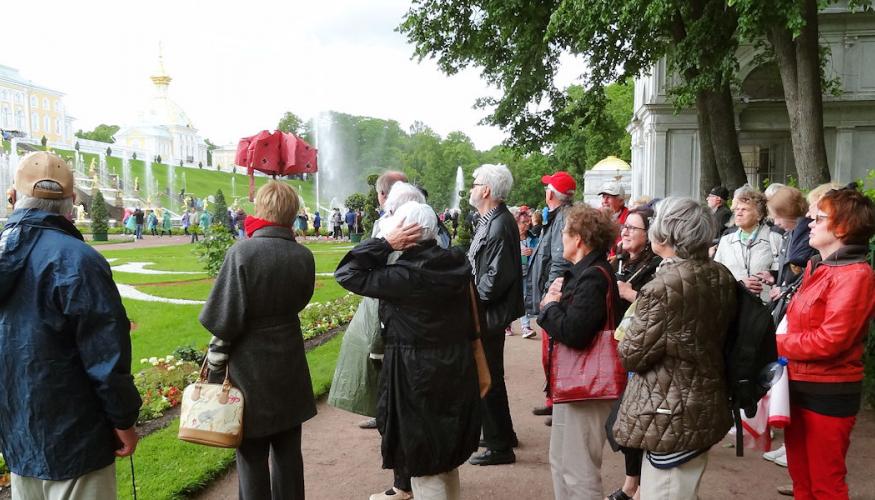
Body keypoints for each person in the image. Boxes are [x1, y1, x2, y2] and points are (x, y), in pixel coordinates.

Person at [0, 151, 141, 498]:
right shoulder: (78, 259)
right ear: (73, 201)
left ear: (13, 197)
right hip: (76, 437)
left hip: (18, 432)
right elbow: (106, 355)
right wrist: (123, 420)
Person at [335, 200, 481, 500]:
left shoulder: (406, 275)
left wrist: (383, 243)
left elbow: (347, 272)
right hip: (453, 363)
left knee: (425, 459)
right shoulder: (453, 262)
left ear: (407, 234)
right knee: (444, 458)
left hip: (416, 371)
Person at [613, 197, 738, 500]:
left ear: (666, 233)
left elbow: (631, 353)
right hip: (701, 400)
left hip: (671, 409)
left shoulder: (665, 287)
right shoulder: (717, 273)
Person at [200, 181, 317, 500]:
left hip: (250, 368)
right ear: (292, 213)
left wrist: (214, 364)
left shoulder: (243, 251)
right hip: (289, 362)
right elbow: (301, 300)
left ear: (262, 209)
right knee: (289, 454)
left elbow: (224, 319)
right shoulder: (303, 255)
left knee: (251, 457)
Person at [777, 187, 875, 500]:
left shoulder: (854, 274)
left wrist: (775, 345)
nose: (810, 223)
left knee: (826, 485)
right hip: (799, 384)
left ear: (842, 228)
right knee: (802, 481)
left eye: (819, 218)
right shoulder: (818, 267)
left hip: (829, 392)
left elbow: (831, 340)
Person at [537, 203, 622, 500]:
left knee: (579, 468)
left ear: (579, 239)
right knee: (562, 462)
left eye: (565, 231)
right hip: (575, 385)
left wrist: (549, 308)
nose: (561, 237)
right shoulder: (586, 273)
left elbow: (575, 332)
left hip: (587, 385)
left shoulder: (594, 276)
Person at [466, 164, 523, 466]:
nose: (472, 188)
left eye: (475, 184)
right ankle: (501, 434)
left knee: (487, 377)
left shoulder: (499, 223)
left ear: (486, 190)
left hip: (488, 312)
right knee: (490, 375)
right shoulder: (494, 221)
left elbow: (496, 277)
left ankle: (500, 446)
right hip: (489, 311)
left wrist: (472, 301)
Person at [605, 206, 662, 500]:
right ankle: (632, 483)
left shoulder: (658, 268)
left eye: (633, 228)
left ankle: (637, 487)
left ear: (649, 235)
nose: (625, 231)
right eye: (624, 226)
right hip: (619, 349)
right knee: (621, 422)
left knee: (630, 420)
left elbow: (665, 311)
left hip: (642, 353)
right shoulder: (620, 263)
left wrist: (631, 295)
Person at [528, 171, 575, 422]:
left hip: (556, 298)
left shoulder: (563, 218)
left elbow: (558, 260)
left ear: (551, 194)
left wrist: (548, 295)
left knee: (554, 352)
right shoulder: (559, 216)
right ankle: (553, 399)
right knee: (550, 352)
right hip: (556, 295)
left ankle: (559, 401)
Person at [714, 185, 783, 303]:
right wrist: (739, 284)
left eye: (744, 209)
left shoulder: (775, 239)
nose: (738, 213)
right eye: (736, 209)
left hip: (764, 309)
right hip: (733, 307)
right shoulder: (726, 241)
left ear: (759, 215)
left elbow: (783, 277)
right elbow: (716, 277)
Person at [516, 207, 539, 339]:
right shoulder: (510, 238)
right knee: (512, 299)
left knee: (524, 299)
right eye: (523, 222)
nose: (526, 225)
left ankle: (525, 327)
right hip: (513, 273)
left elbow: (540, 253)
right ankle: (507, 325)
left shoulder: (533, 238)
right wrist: (518, 254)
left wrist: (533, 251)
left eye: (527, 222)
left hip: (528, 273)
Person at [598, 180, 629, 258]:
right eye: (603, 197)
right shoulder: (595, 216)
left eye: (608, 197)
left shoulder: (629, 217)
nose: (604, 201)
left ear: (621, 201)